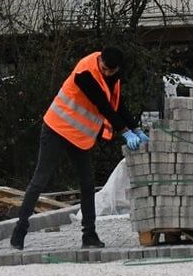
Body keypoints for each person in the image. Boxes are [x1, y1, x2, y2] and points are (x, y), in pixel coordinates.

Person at [11, 47, 148, 250]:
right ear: (100, 59)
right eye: (105, 69)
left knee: (87, 183)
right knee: (40, 180)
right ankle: (19, 230)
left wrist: (136, 128)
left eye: (112, 71)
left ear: (118, 69)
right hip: (56, 128)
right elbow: (103, 105)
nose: (107, 73)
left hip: (79, 136)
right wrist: (124, 131)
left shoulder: (114, 77)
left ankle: (89, 235)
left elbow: (117, 105)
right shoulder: (85, 72)